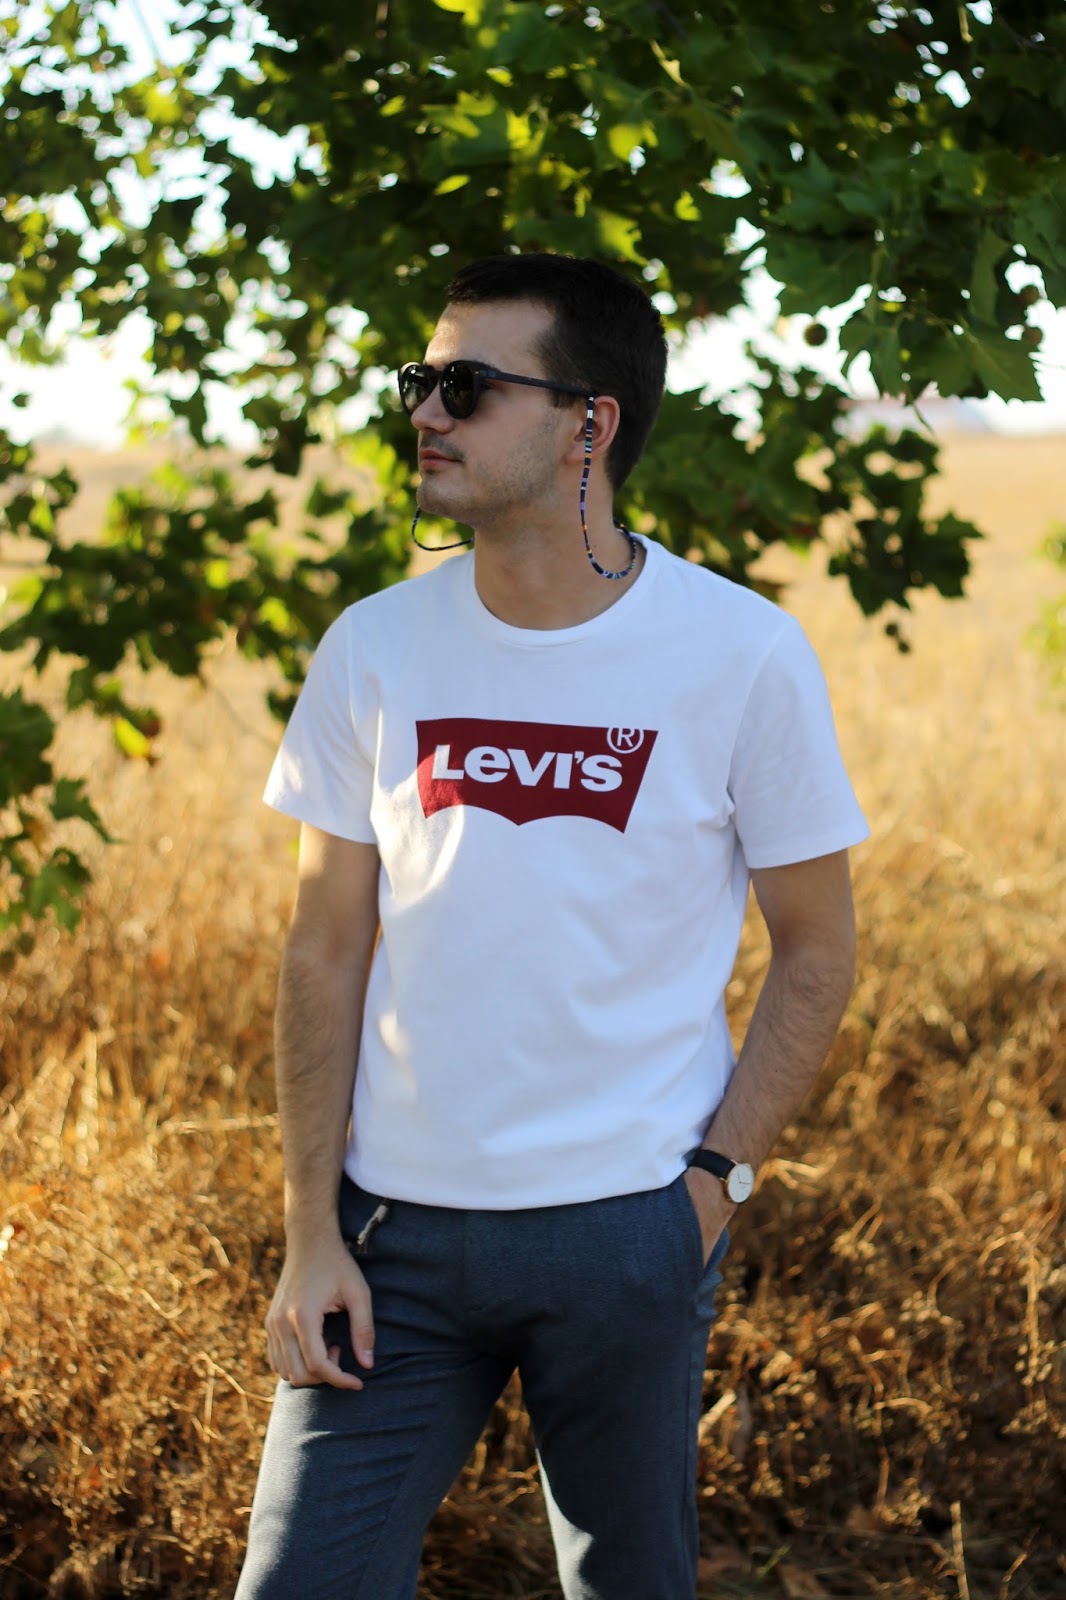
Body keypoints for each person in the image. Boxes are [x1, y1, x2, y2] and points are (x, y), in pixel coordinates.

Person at [235, 253, 869, 1600]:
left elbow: (817, 947)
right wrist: (309, 1229)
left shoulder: (741, 652)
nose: (426, 412)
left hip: (628, 1226)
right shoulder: (373, 647)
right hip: (390, 1237)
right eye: (419, 381)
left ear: (590, 422)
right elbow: (323, 947)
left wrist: (713, 1189)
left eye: (467, 386)